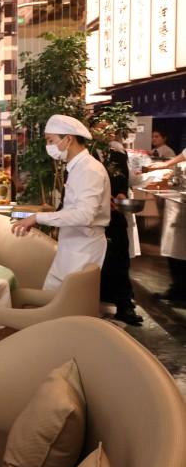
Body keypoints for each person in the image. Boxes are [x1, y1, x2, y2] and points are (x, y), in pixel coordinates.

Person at [11, 115, 111, 290]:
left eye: (51, 140)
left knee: (67, 305)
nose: (49, 146)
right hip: (72, 246)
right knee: (52, 299)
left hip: (83, 248)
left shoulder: (88, 169)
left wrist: (38, 217)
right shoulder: (77, 167)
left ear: (69, 139)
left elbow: (84, 215)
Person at [93, 123, 143, 326]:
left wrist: (120, 195)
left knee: (120, 262)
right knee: (97, 264)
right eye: (101, 127)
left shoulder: (119, 155)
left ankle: (125, 307)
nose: (107, 132)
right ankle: (92, 306)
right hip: (94, 218)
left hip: (116, 216)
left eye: (109, 129)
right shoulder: (86, 156)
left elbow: (124, 183)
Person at [143, 146, 186, 302]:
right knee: (173, 249)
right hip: (179, 203)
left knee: (179, 250)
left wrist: (167, 164)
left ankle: (180, 291)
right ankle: (177, 289)